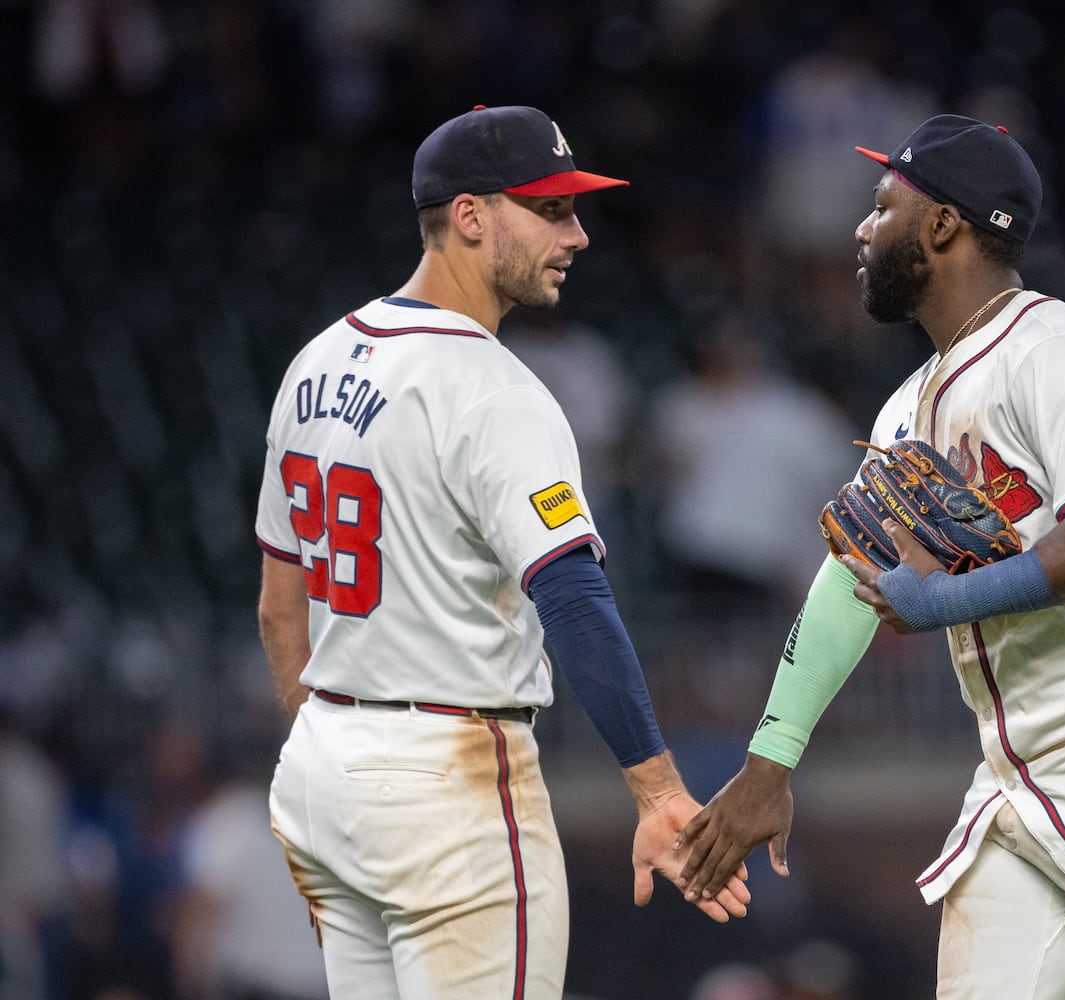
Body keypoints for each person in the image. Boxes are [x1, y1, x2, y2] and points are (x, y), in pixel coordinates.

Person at [676, 114, 1065, 999]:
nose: (861, 229)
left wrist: (941, 604)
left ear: (942, 226)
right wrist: (768, 766)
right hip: (1025, 787)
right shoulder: (905, 410)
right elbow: (850, 579)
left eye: (882, 207)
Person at [254, 104, 749, 1000]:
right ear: (471, 217)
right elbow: (573, 602)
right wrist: (657, 790)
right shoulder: (492, 390)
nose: (579, 233)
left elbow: (278, 607)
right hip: (448, 777)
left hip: (324, 764)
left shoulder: (315, 362)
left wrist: (336, 747)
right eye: (550, 210)